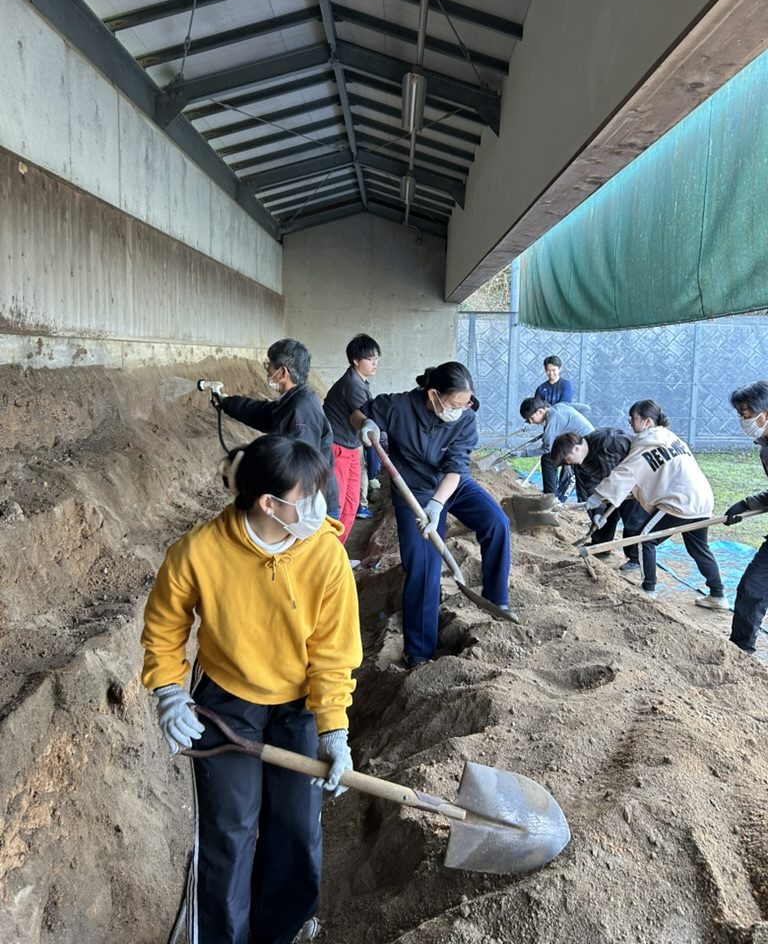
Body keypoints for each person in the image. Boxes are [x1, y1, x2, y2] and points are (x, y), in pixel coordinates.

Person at [141, 434, 363, 944]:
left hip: (299, 708)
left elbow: (333, 654)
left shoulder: (325, 556)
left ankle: (281, 932)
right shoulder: (198, 552)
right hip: (226, 706)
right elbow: (165, 628)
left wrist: (334, 731)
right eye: (308, 495)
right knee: (228, 832)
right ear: (269, 503)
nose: (319, 506)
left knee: (297, 831)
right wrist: (171, 692)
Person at [350, 361, 511, 668]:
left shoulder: (465, 417)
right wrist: (366, 425)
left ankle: (495, 598)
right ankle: (419, 651)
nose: (461, 409)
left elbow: (456, 467)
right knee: (424, 568)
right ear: (434, 395)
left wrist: (437, 506)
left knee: (497, 522)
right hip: (412, 491)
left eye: (466, 403)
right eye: (454, 404)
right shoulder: (398, 406)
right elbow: (358, 412)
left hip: (452, 484)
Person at [586, 399, 727, 607]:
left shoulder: (647, 442)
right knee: (698, 547)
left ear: (647, 422)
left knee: (645, 538)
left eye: (633, 419)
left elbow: (625, 473)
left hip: (680, 502)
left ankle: (648, 590)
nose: (630, 424)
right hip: (702, 499)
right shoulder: (670, 437)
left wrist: (598, 496)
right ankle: (718, 595)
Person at [215, 338, 340, 518]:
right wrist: (227, 402)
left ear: (282, 372)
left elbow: (298, 468)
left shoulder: (301, 411)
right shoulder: (294, 400)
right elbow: (262, 413)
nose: (267, 369)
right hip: (302, 502)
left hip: (309, 509)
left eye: (269, 365)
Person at [551, 427, 647, 568]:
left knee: (632, 518)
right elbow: (589, 489)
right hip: (608, 486)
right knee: (604, 515)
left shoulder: (609, 441)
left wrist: (610, 493)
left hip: (634, 482)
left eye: (568, 459)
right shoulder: (580, 464)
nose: (569, 463)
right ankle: (601, 545)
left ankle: (635, 558)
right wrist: (597, 512)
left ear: (576, 449)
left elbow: (628, 469)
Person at [723, 381, 768, 653]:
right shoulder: (765, 447)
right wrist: (747, 503)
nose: (744, 420)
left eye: (748, 414)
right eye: (741, 415)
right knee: (751, 589)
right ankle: (740, 654)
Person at [322, 333, 381, 541]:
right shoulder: (352, 385)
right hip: (336, 449)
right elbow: (361, 417)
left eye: (376, 358)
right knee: (336, 506)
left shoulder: (359, 381)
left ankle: (338, 552)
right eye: (370, 358)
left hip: (350, 447)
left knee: (351, 503)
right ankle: (327, 555)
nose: (375, 363)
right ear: (356, 360)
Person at [519, 397, 594, 499]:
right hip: (589, 441)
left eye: (531, 418)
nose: (531, 422)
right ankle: (555, 493)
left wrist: (522, 453)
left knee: (548, 459)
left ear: (540, 411)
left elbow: (546, 449)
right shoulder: (560, 405)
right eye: (528, 421)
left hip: (584, 449)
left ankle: (550, 498)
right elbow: (586, 408)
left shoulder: (552, 420)